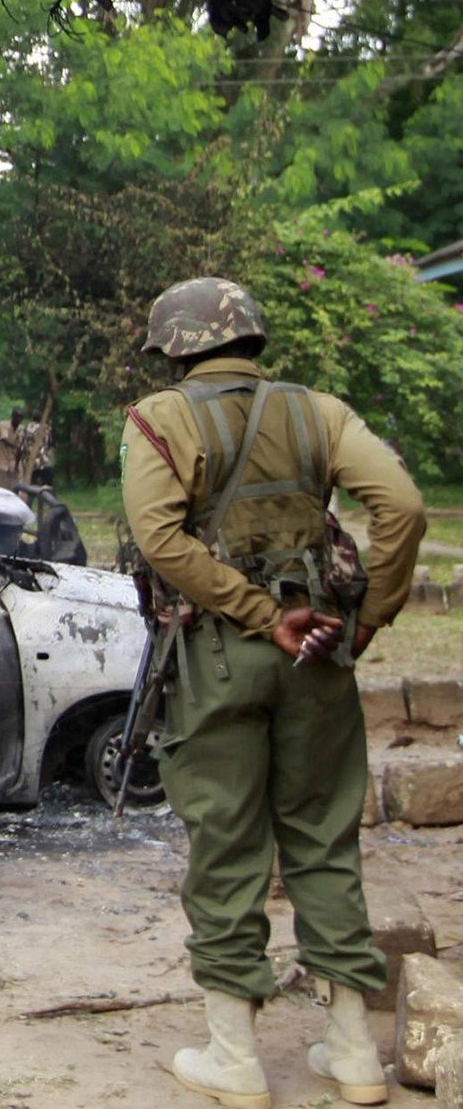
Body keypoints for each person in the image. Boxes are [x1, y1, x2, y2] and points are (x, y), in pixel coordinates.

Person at [122, 277, 424, 1109]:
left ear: (176, 347)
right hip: (321, 649)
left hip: (219, 655)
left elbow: (160, 541)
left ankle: (237, 1059)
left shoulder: (159, 418)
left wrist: (256, 612)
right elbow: (400, 504)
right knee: (325, 837)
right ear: (251, 339)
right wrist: (367, 624)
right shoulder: (319, 412)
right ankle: (355, 1053)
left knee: (226, 844)